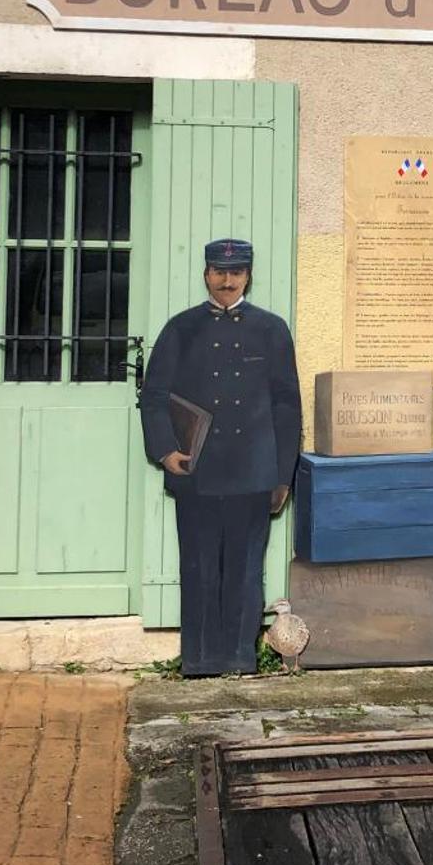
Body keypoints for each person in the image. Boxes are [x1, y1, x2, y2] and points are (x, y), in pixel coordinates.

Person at [139, 238, 301, 676]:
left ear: (248, 276)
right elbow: (154, 397)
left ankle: (240, 657)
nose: (227, 281)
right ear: (206, 274)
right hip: (198, 471)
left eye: (236, 273)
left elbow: (287, 406)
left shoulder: (271, 329)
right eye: (219, 272)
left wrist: (283, 475)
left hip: (253, 471)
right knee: (199, 567)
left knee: (246, 570)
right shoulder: (182, 328)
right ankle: (199, 659)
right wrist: (165, 451)